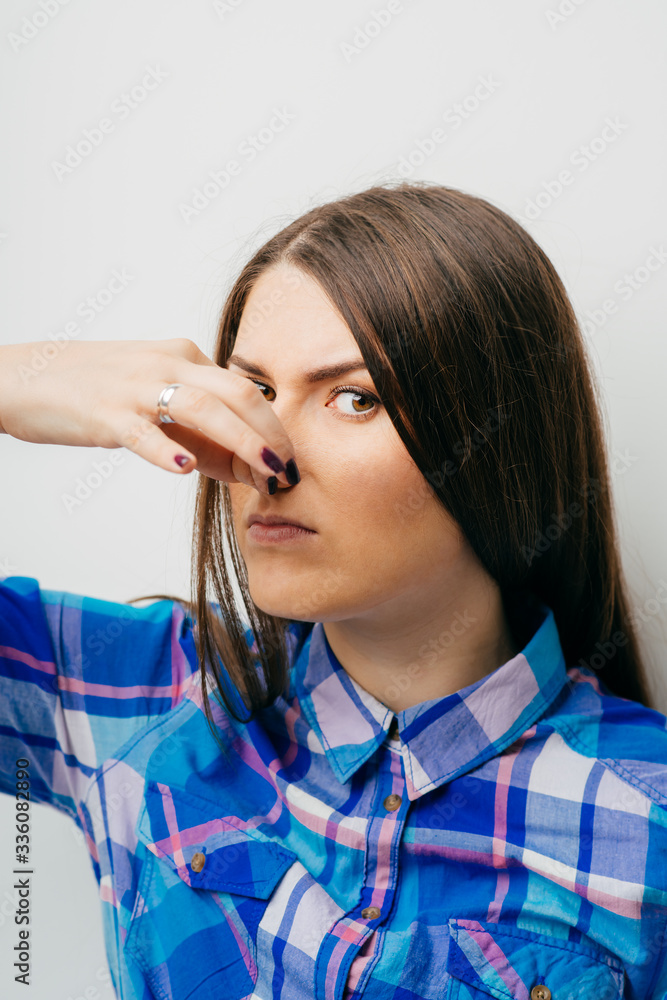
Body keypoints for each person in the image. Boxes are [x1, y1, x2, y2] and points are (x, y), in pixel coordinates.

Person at [1, 181, 666, 1000]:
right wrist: (20, 382)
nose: (265, 453)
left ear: (496, 443)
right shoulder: (147, 696)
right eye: (255, 393)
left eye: (353, 399)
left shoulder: (646, 818)